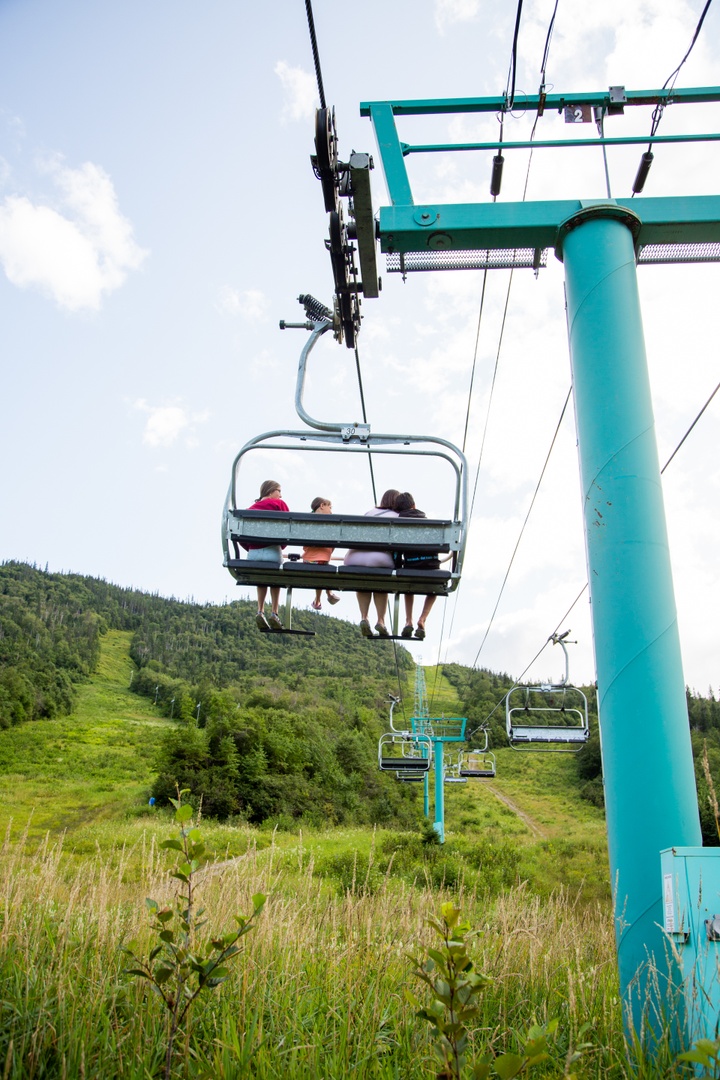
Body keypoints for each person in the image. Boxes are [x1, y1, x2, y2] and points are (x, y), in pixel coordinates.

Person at [344, 489, 400, 638]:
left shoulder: (369, 513)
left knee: (363, 582)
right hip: (378, 559)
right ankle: (381, 621)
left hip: (353, 558)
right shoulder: (397, 516)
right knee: (381, 583)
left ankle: (364, 617)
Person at [243, 480, 288, 631]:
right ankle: (274, 612)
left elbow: (242, 535)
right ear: (270, 491)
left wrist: (251, 548)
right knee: (275, 579)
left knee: (261, 578)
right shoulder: (278, 504)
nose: (280, 495)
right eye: (279, 491)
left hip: (253, 554)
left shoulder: (250, 510)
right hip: (272, 552)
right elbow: (289, 528)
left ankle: (260, 610)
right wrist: (281, 546)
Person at [394, 491, 439, 641]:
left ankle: (409, 620)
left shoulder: (399, 523)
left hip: (411, 565)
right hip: (431, 565)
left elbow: (396, 549)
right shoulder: (427, 521)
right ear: (414, 505)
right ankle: (423, 619)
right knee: (434, 589)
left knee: (408, 587)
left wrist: (397, 564)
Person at [303, 497, 340, 610]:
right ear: (322, 505)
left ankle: (319, 599)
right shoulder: (329, 523)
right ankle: (326, 595)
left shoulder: (306, 520)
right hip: (321, 561)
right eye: (330, 507)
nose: (331, 511)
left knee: (321, 570)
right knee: (323, 568)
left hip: (307, 560)